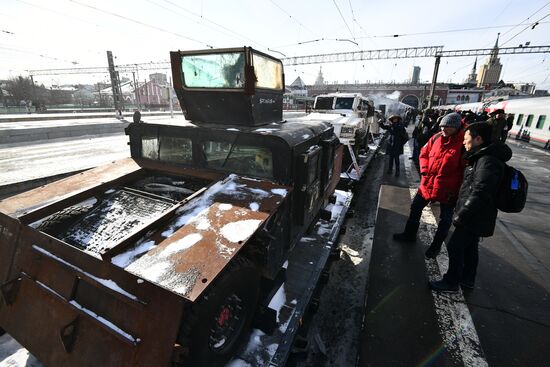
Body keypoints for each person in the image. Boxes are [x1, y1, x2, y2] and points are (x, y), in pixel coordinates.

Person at [429, 122, 512, 292]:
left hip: (474, 215)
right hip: (478, 214)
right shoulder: (484, 157)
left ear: (478, 139)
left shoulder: (486, 161)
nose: (464, 143)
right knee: (470, 248)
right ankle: (468, 279)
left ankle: (451, 282)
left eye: (466, 139)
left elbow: (481, 191)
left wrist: (463, 214)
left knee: (455, 246)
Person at [394, 113, 466, 258]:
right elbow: (424, 153)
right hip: (428, 183)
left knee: (445, 220)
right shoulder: (436, 138)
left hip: (449, 189)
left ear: (457, 127)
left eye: (448, 127)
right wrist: (424, 170)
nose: (444, 129)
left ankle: (435, 247)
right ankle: (409, 234)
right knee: (415, 208)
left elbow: (466, 169)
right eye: (443, 126)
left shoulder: (464, 143)